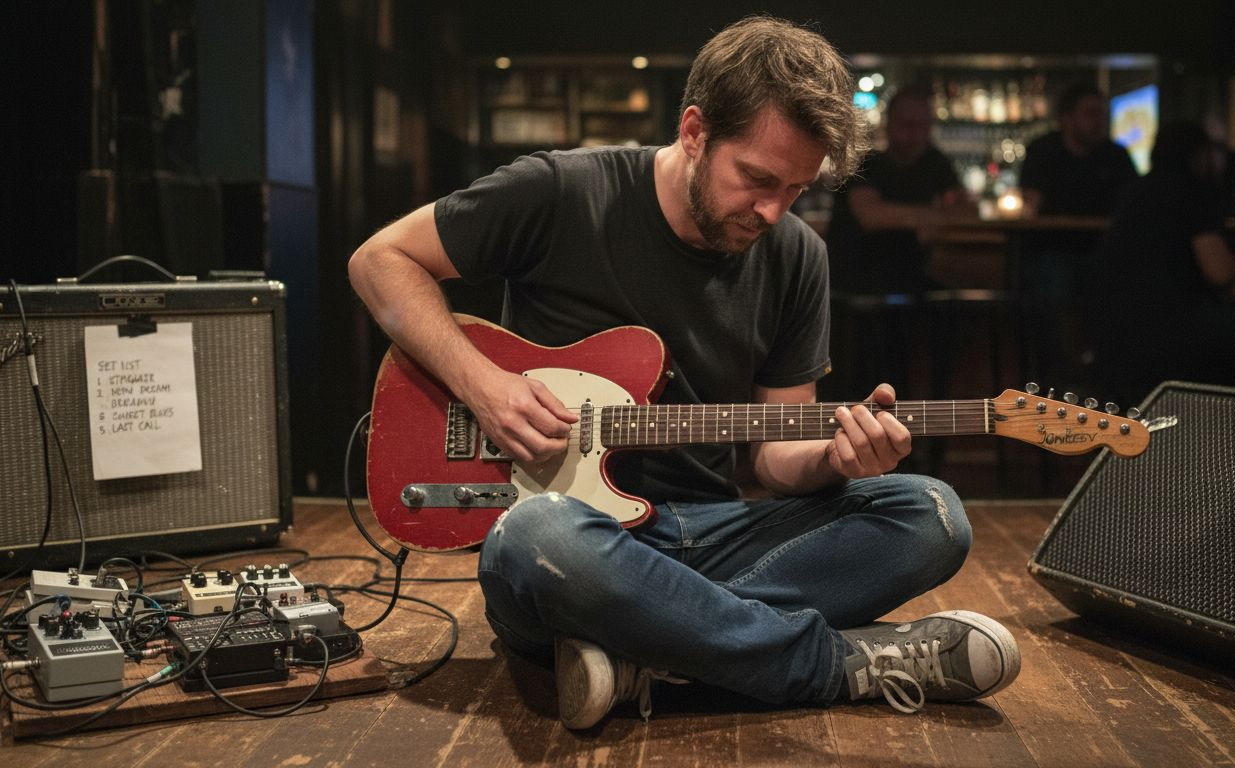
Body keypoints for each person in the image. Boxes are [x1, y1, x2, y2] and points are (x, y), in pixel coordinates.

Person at [348, 16, 1019, 730]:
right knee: (537, 536)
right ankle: (825, 665)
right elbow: (378, 261)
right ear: (695, 130)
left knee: (932, 515)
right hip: (574, 543)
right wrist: (483, 385)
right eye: (758, 178)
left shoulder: (797, 256)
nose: (772, 210)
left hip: (712, 534)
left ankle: (655, 649)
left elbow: (773, 459)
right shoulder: (561, 191)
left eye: (796, 189)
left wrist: (836, 457)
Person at [1091, 120, 1235, 406]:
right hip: (1173, 325)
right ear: (1197, 155)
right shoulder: (1190, 191)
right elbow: (1219, 273)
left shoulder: (1134, 191)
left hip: (1114, 329)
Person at [1017, 81, 1139, 382]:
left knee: (1126, 292)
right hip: (1052, 251)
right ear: (1066, 118)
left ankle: (1105, 378)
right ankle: (1061, 379)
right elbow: (1029, 206)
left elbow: (1131, 207)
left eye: (1102, 114)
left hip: (1105, 252)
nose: (1099, 121)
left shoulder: (1116, 156)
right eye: (1090, 113)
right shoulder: (1043, 151)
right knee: (1054, 286)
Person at [826, 86, 971, 296]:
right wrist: (934, 217)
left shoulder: (935, 163)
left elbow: (966, 209)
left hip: (908, 276)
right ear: (888, 125)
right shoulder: (868, 163)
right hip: (857, 281)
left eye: (922, 124)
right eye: (907, 124)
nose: (915, 132)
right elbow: (871, 215)